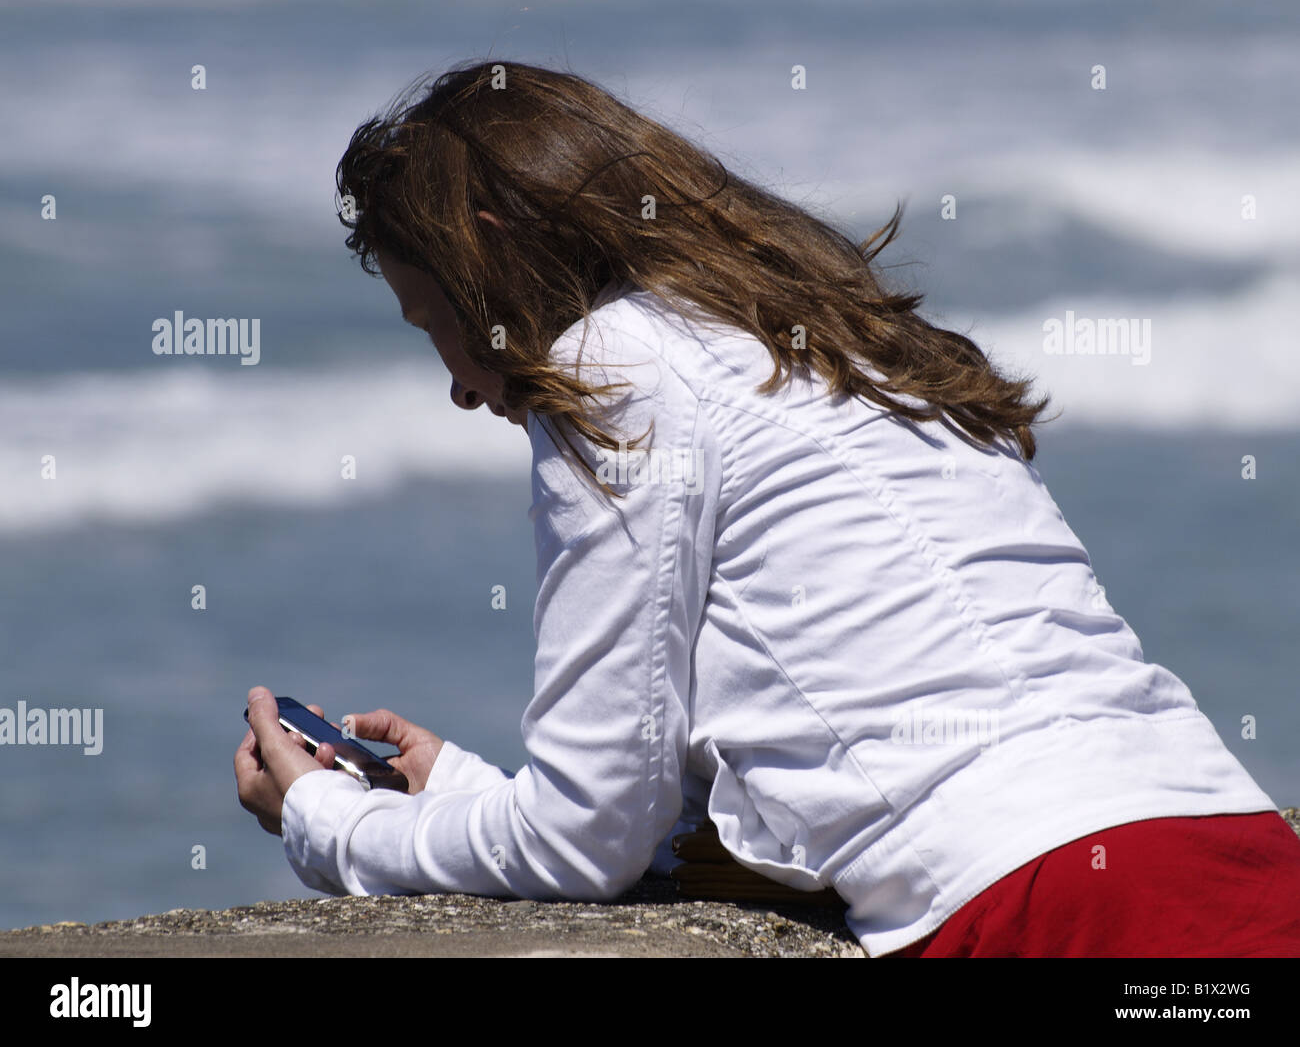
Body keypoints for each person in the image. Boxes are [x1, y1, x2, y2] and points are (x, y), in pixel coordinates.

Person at [235, 59, 1300, 957]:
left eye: (434, 323)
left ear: (485, 243)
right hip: (1231, 844)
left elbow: (582, 844)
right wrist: (461, 792)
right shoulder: (835, 338)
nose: (461, 384)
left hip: (1046, 903)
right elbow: (780, 738)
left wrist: (332, 818)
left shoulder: (611, 368)